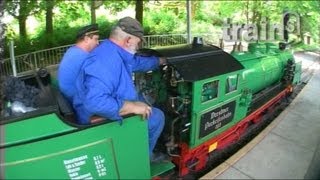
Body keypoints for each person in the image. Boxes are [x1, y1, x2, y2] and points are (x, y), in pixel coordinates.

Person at [73, 17, 167, 162]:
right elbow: (95, 102)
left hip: (114, 98)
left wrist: (158, 61)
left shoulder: (111, 49)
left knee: (142, 98)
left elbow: (134, 63)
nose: (138, 45)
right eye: (138, 41)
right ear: (128, 40)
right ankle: (142, 158)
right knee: (157, 117)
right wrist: (131, 106)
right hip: (96, 115)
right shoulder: (105, 62)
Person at [57, 24, 99, 103]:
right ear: (86, 39)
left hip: (67, 95)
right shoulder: (85, 58)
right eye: (96, 39)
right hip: (76, 99)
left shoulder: (72, 50)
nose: (97, 43)